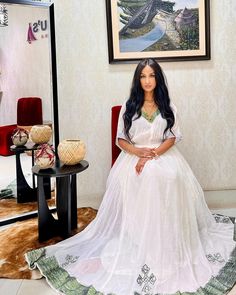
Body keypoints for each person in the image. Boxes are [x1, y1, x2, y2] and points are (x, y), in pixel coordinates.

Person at [25, 58, 236, 295]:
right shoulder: (129, 106)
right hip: (133, 156)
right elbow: (121, 139)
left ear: (158, 79)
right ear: (138, 80)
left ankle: (166, 239)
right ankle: (139, 239)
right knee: (142, 178)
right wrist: (138, 154)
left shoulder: (168, 105)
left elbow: (173, 137)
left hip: (162, 154)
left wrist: (153, 153)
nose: (147, 81)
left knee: (166, 177)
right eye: (143, 76)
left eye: (152, 76)